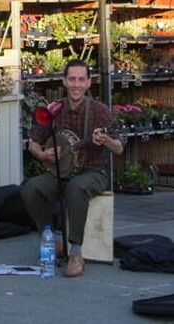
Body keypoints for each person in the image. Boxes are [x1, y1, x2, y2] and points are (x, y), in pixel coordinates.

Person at [21, 59, 124, 278]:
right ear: (64, 82)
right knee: (31, 188)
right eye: (72, 79)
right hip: (59, 173)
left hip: (93, 173)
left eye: (81, 80)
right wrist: (42, 154)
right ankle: (52, 241)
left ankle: (76, 253)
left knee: (76, 188)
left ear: (88, 83)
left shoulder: (100, 111)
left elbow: (119, 148)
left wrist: (105, 139)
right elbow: (33, 142)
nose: (76, 84)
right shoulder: (54, 110)